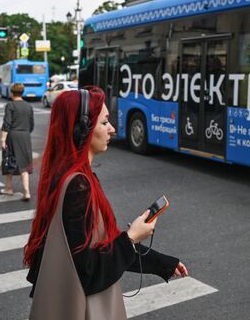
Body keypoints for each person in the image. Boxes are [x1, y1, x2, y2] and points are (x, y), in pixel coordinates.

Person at [24, 87, 188, 320]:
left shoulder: (66, 176)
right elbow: (87, 270)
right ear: (82, 130)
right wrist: (131, 237)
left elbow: (101, 244)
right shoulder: (78, 186)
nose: (111, 129)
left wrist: (162, 263)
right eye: (104, 123)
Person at [0, 83, 34, 200]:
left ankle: (9, 188)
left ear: (12, 92)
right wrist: (25, 132)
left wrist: (3, 139)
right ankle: (27, 192)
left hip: (12, 136)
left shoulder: (10, 105)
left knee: (9, 160)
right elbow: (31, 125)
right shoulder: (29, 106)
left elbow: (7, 123)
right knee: (24, 163)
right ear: (22, 92)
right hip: (25, 136)